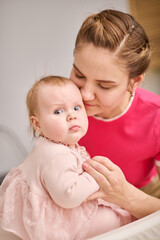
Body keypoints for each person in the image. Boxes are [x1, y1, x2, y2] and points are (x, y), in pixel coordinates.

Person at [0, 76, 132, 240]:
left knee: (113, 210)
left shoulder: (51, 146)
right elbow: (68, 196)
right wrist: (96, 176)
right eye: (58, 111)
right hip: (56, 225)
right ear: (37, 124)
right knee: (118, 218)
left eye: (77, 107)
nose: (72, 116)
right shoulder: (56, 155)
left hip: (48, 215)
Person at [69, 9, 160, 219]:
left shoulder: (155, 118)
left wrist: (124, 196)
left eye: (104, 85)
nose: (85, 94)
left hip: (142, 195)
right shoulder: (63, 103)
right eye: (79, 75)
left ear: (134, 82)